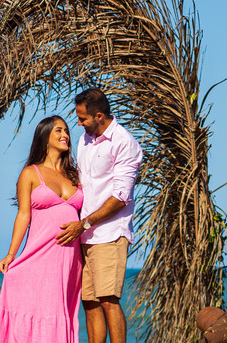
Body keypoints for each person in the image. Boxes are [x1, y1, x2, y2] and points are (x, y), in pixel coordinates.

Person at [0, 116, 85, 343]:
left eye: (66, 131)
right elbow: (23, 215)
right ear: (45, 136)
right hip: (39, 254)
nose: (65, 135)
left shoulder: (76, 175)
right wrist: (11, 253)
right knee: (39, 308)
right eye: (58, 131)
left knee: (60, 310)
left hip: (69, 258)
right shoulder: (31, 173)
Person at [56, 88, 144, 343]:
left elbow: (120, 198)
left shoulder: (124, 143)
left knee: (108, 300)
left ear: (99, 116)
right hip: (83, 236)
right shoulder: (86, 139)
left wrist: (83, 224)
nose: (79, 123)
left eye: (83, 118)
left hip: (109, 233)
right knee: (90, 302)